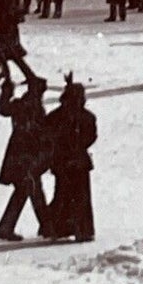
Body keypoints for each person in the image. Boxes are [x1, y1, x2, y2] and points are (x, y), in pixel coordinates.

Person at [0, 72, 51, 242]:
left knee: (32, 190)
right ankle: (6, 228)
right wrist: (7, 91)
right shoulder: (29, 106)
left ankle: (46, 226)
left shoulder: (24, 104)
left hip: (22, 154)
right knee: (27, 190)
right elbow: (4, 110)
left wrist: (7, 92)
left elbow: (4, 109)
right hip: (24, 155)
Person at [43, 77, 97, 242]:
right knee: (72, 195)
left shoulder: (57, 116)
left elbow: (90, 136)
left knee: (66, 195)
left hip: (68, 161)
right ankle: (77, 229)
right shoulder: (85, 116)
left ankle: (65, 228)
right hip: (72, 161)